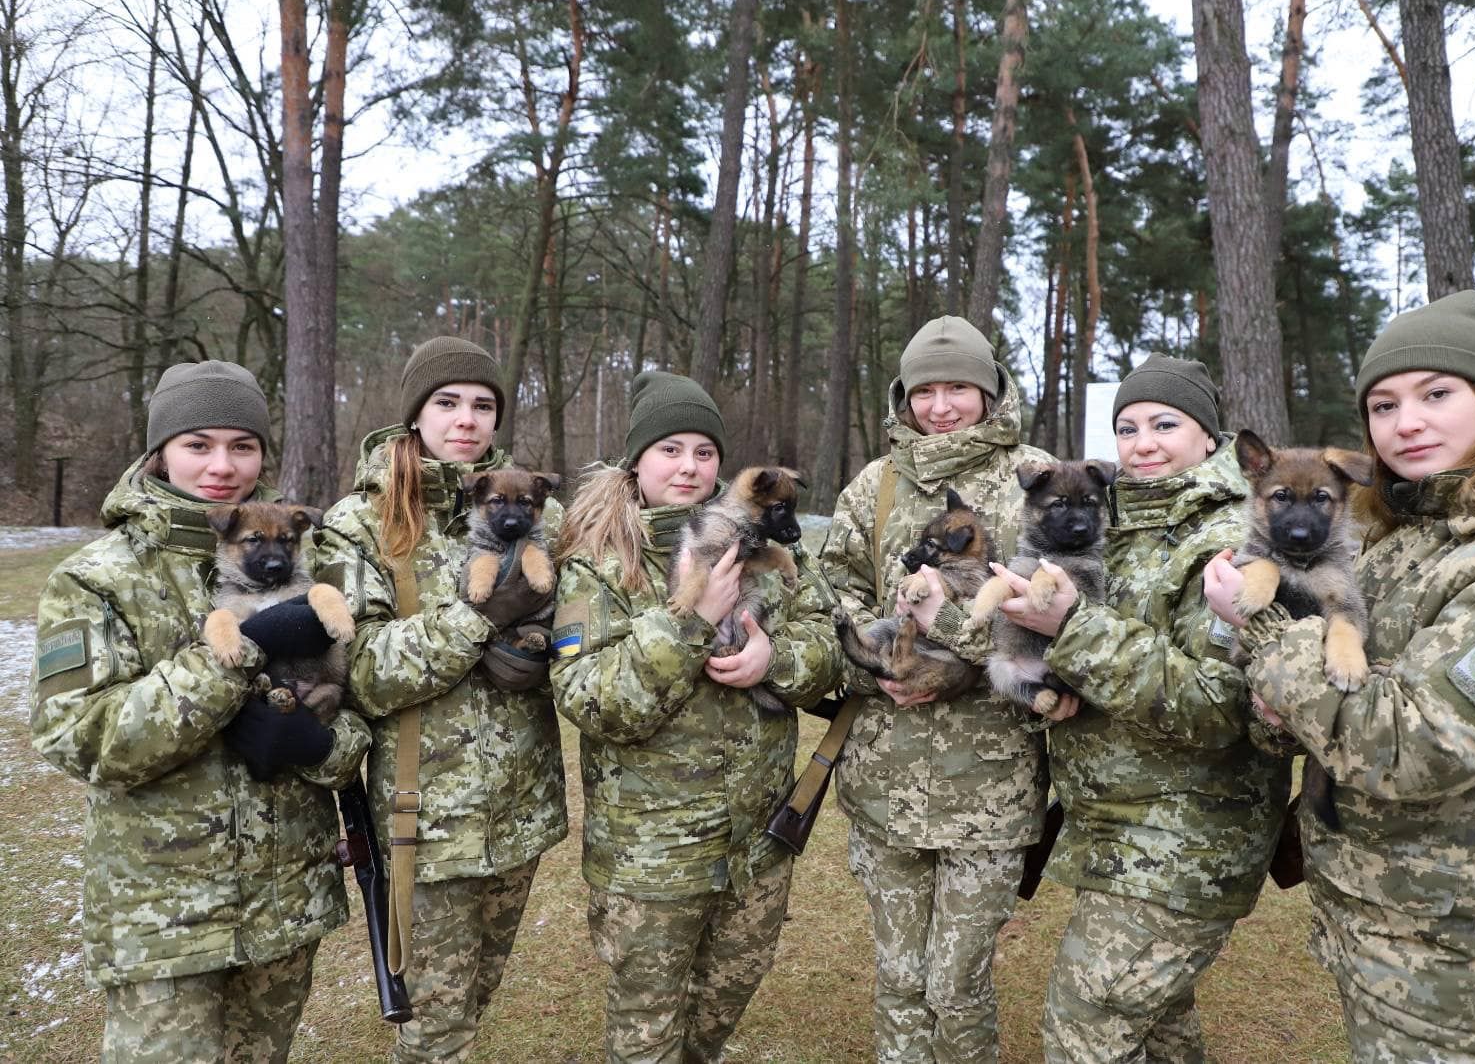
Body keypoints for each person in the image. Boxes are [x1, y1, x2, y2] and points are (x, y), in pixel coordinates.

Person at [1204, 290, 1475, 1061]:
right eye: (1383, 405)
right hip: (1370, 907)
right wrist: (1271, 687)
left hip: (1450, 942)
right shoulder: (1406, 532)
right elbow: (1305, 704)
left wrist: (1261, 631)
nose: (1405, 422)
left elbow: (1417, 744)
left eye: (1436, 393)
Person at [30, 361, 370, 1063]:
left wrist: (319, 745)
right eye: (198, 444)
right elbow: (80, 738)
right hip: (163, 917)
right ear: (160, 450)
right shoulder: (96, 576)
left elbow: (362, 705)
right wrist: (236, 658)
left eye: (242, 446)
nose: (222, 465)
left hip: (284, 904)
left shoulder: (313, 558)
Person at [992, 353, 1289, 1062]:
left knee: (1085, 1030)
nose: (1143, 443)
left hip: (1186, 841)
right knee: (1159, 1029)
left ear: (1208, 434)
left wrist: (1073, 628)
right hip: (1114, 827)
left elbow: (1222, 706)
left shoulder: (1232, 539)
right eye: (1127, 428)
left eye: (1165, 424)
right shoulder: (1114, 521)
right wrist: (1045, 685)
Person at [549, 369, 842, 1063]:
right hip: (652, 859)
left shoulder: (767, 543)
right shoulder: (596, 560)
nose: (688, 466)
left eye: (704, 451)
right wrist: (692, 621)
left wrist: (774, 659)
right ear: (637, 460)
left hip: (757, 846)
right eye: (670, 449)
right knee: (647, 1036)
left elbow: (830, 646)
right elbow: (589, 696)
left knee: (714, 1020)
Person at [318, 337, 567, 1063]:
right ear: (415, 413)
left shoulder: (536, 510)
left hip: (521, 812)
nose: (467, 419)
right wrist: (475, 619)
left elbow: (581, 625)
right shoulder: (358, 522)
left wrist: (543, 646)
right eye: (447, 402)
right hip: (423, 823)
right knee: (435, 1032)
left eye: (483, 405)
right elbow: (359, 672)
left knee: (474, 999)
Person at [818, 316, 1052, 1064]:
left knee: (956, 983)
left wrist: (956, 652)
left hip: (991, 790)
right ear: (904, 396)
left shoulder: (1036, 482)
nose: (942, 406)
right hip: (883, 784)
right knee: (898, 977)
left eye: (959, 388)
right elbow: (830, 598)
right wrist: (878, 669)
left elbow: (1058, 625)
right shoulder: (875, 485)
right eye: (925, 391)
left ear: (990, 391)